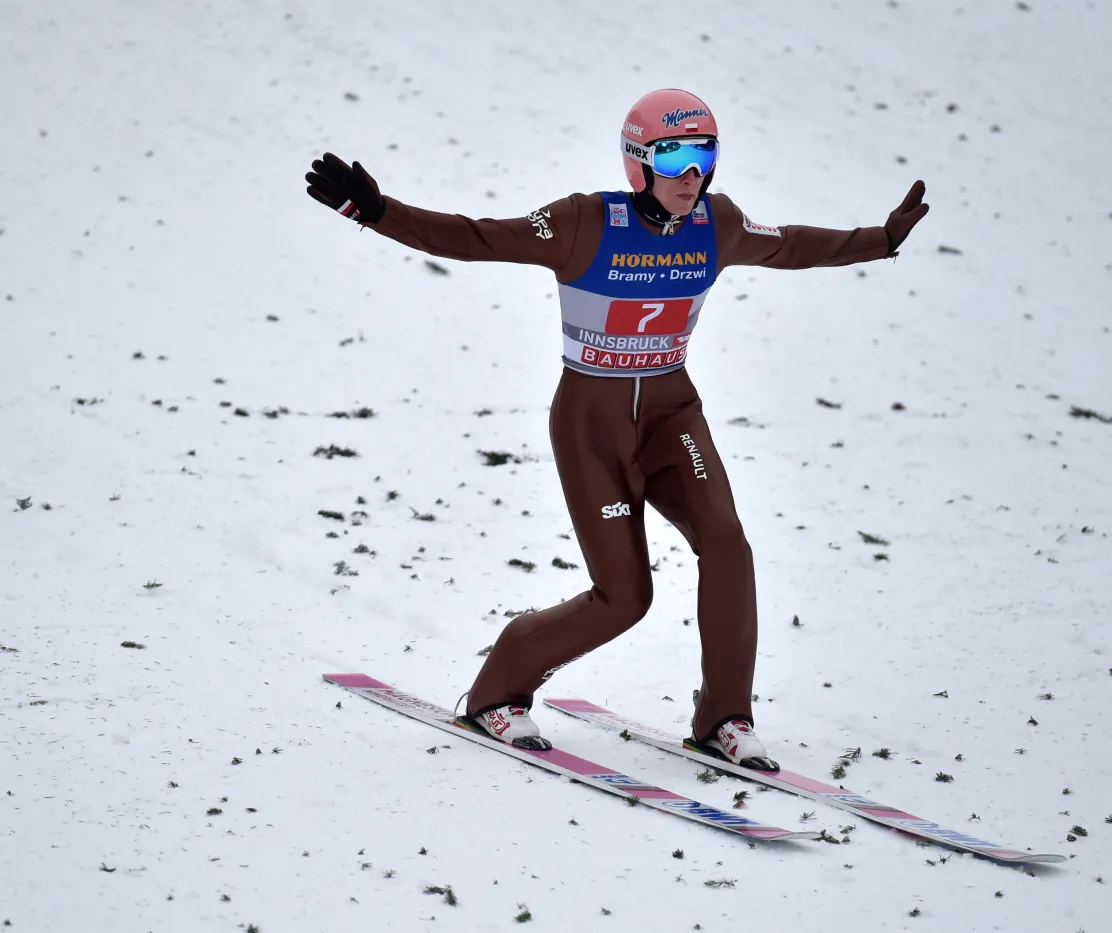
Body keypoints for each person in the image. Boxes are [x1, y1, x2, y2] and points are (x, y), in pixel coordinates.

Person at [306, 88, 928, 771]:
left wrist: (884, 239)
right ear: (638, 162)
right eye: (676, 156)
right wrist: (377, 211)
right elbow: (476, 237)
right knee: (626, 597)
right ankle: (497, 693)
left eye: (705, 156)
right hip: (591, 424)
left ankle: (725, 715)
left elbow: (790, 247)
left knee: (728, 543)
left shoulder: (715, 225)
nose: (692, 175)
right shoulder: (583, 223)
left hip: (671, 416)